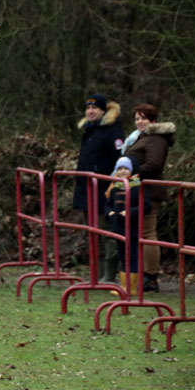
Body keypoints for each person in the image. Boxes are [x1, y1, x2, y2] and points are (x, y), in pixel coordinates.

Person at [73, 93, 125, 283]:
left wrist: (113, 186)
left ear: (104, 110)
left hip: (104, 190)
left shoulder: (112, 131)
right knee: (92, 232)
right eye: (88, 108)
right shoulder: (89, 131)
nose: (90, 111)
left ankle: (109, 274)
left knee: (107, 232)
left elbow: (119, 161)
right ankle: (97, 272)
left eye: (94, 108)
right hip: (86, 190)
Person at [123, 103, 175, 292]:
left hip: (150, 191)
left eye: (143, 118)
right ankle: (140, 274)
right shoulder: (142, 138)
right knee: (140, 233)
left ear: (153, 120)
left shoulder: (155, 139)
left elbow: (154, 165)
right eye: (137, 118)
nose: (139, 122)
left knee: (147, 233)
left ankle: (150, 276)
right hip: (138, 189)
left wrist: (131, 174)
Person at [104, 156, 151, 296]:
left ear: (131, 170)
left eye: (125, 168)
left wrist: (130, 212)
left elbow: (146, 206)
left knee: (134, 255)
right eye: (120, 169)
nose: (123, 171)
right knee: (123, 255)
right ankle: (124, 285)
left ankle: (133, 287)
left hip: (133, 228)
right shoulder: (115, 188)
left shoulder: (137, 187)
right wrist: (110, 213)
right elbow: (107, 204)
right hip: (118, 228)